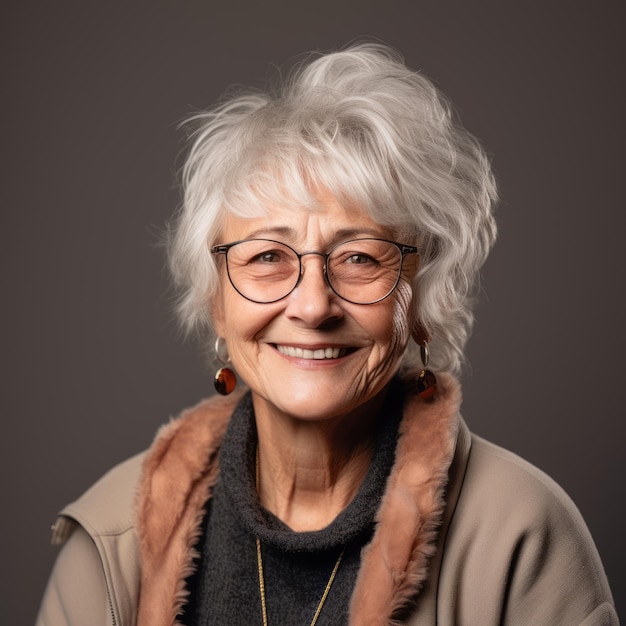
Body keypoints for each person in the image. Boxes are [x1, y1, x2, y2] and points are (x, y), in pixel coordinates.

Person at [36, 43, 618, 626]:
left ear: (420, 298)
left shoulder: (521, 535)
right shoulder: (117, 538)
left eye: (360, 258)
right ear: (216, 301)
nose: (313, 305)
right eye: (266, 256)